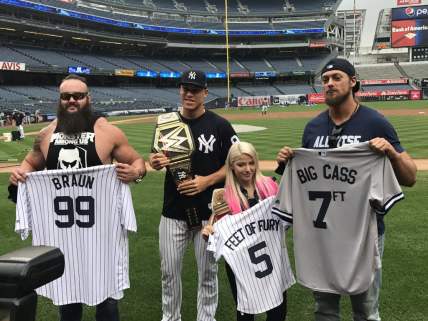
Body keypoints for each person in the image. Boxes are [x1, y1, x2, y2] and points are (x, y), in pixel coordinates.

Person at [276, 57, 417, 321]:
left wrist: (391, 154)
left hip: (363, 236)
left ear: (353, 82)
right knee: (325, 309)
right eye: (325, 80)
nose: (329, 84)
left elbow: (410, 178)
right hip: (322, 237)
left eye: (336, 78)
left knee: (365, 310)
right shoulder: (313, 127)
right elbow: (306, 179)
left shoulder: (375, 122)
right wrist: (286, 161)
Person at [9, 74, 146, 321]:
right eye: (66, 96)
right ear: (60, 99)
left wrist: (136, 172)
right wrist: (22, 173)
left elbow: (137, 162)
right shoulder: (46, 135)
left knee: (107, 304)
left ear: (88, 98)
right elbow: (30, 162)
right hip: (62, 235)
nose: (72, 101)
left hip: (102, 236)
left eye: (78, 96)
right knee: (68, 301)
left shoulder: (107, 132)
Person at [149, 69, 238, 321]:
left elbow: (236, 161)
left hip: (208, 214)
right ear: (179, 90)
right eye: (185, 88)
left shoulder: (220, 125)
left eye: (195, 89)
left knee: (208, 273)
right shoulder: (167, 123)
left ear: (205, 93)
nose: (189, 93)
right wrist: (155, 161)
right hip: (173, 211)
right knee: (169, 273)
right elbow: (156, 156)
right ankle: (171, 317)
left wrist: (206, 181)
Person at [202, 142, 294, 321]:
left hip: (273, 258)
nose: (247, 169)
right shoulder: (223, 197)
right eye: (241, 164)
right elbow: (216, 232)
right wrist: (210, 233)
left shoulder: (270, 186)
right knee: (245, 313)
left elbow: (286, 217)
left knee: (278, 312)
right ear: (232, 167)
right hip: (241, 266)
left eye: (251, 163)